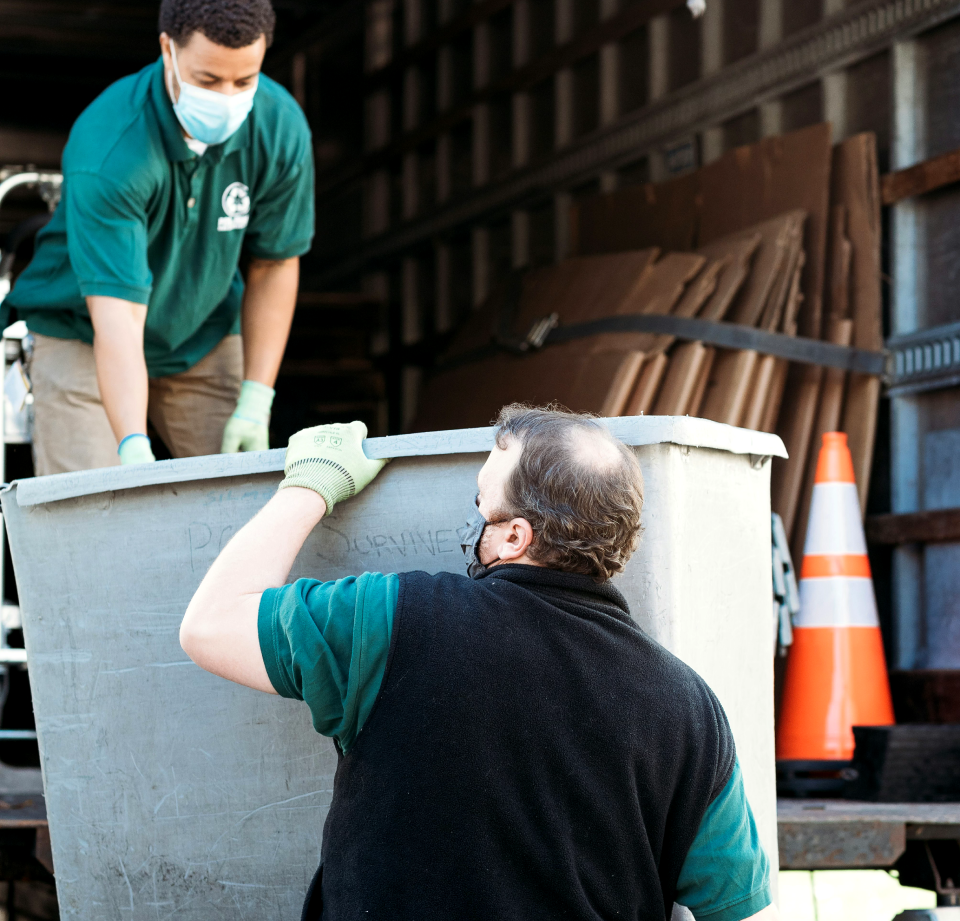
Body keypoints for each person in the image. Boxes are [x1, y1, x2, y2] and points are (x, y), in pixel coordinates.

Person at [180, 404, 781, 921]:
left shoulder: (389, 621)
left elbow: (209, 627)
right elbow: (738, 906)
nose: (472, 524)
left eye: (479, 504)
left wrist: (310, 485)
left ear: (516, 537)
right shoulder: (688, 706)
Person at [3, 0, 314, 475]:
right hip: (85, 332)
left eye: (244, 81)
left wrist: (256, 397)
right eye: (209, 80)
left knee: (243, 506)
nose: (228, 97)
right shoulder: (111, 147)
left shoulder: (279, 125)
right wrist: (132, 444)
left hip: (203, 332)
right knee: (97, 509)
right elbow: (120, 319)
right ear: (168, 49)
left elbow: (273, 263)